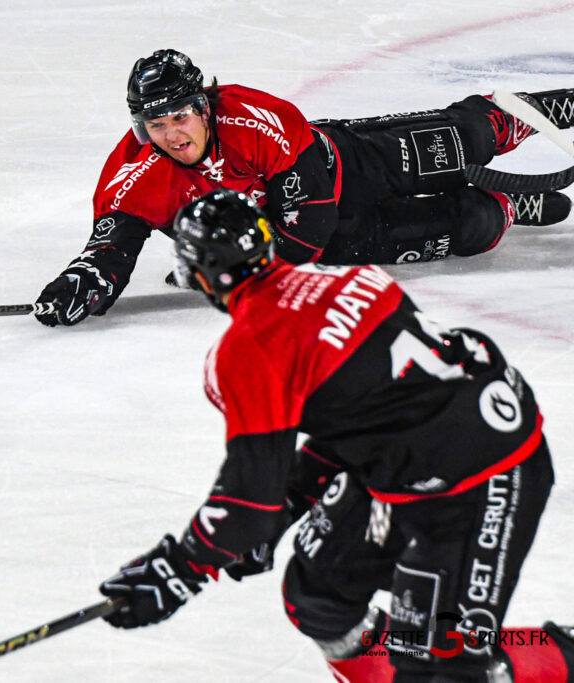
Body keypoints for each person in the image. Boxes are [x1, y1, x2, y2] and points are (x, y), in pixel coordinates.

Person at [96, 189, 574, 681]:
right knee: (320, 595)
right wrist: (287, 504)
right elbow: (362, 415)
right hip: (425, 453)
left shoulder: (249, 348)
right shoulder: (345, 278)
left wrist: (181, 567)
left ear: (200, 274)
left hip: (483, 474)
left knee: (445, 665)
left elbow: (248, 501)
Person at [34, 49, 574, 327]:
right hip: (327, 240)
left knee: (464, 140)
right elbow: (110, 245)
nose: (171, 135)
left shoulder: (250, 118)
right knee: (467, 229)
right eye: (156, 125)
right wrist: (87, 281)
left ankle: (557, 107)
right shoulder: (138, 175)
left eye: (179, 117)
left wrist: (263, 272)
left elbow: (309, 206)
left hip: (345, 166)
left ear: (203, 107)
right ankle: (508, 206)